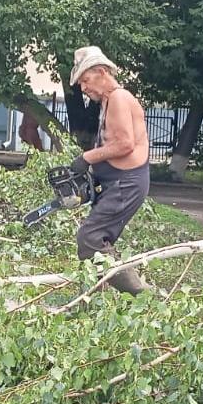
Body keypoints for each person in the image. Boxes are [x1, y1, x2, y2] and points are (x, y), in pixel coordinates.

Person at [67, 45, 152, 294]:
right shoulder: (108, 101)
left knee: (89, 238)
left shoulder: (118, 98)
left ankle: (143, 296)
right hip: (117, 181)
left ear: (102, 72)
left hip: (127, 183)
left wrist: (87, 157)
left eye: (85, 80)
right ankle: (95, 298)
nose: (83, 88)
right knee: (98, 239)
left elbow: (125, 144)